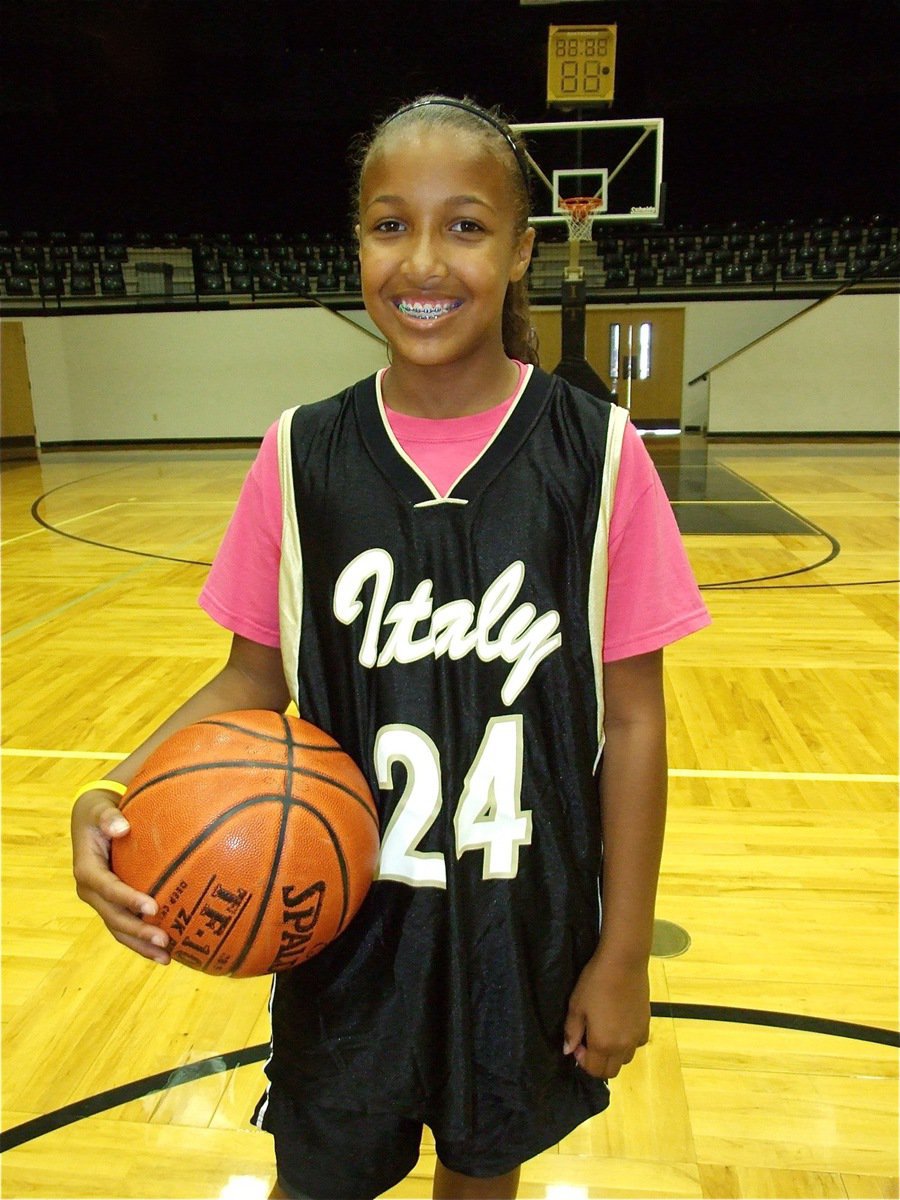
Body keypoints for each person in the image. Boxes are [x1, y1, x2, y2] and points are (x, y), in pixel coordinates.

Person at [71, 95, 711, 1200]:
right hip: (340, 928)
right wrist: (116, 791)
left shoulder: (596, 455)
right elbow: (250, 677)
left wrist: (622, 951)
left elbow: (637, 719)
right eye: (388, 224)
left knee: (481, 1181)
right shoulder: (301, 453)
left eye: (465, 226)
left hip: (522, 929)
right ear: (357, 242)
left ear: (521, 249)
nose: (423, 259)